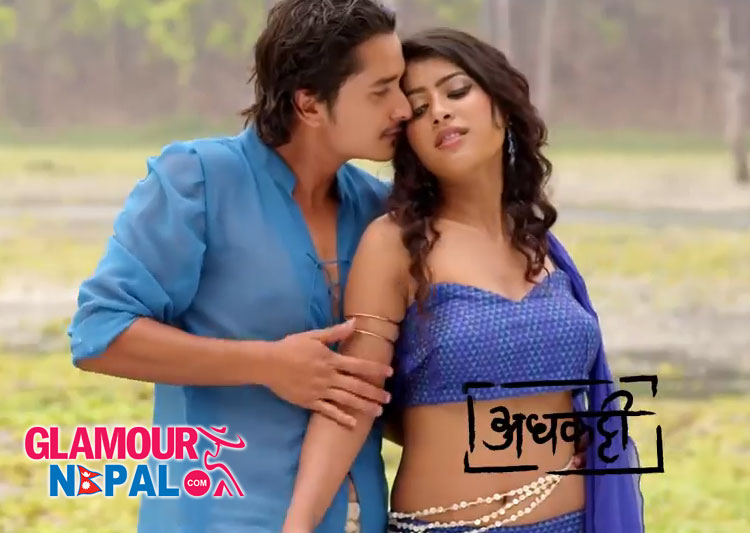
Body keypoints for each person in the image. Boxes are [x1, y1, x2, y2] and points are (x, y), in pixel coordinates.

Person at [66, 1, 412, 531]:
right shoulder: (198, 183)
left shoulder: (377, 210)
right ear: (310, 103)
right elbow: (99, 334)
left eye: (401, 85)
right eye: (380, 90)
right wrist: (267, 364)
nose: (404, 108)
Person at [282, 28, 645, 533]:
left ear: (501, 104)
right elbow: (354, 403)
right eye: (418, 108)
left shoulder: (543, 247)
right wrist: (298, 525)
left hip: (574, 520)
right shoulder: (395, 244)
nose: (439, 112)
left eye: (456, 92)